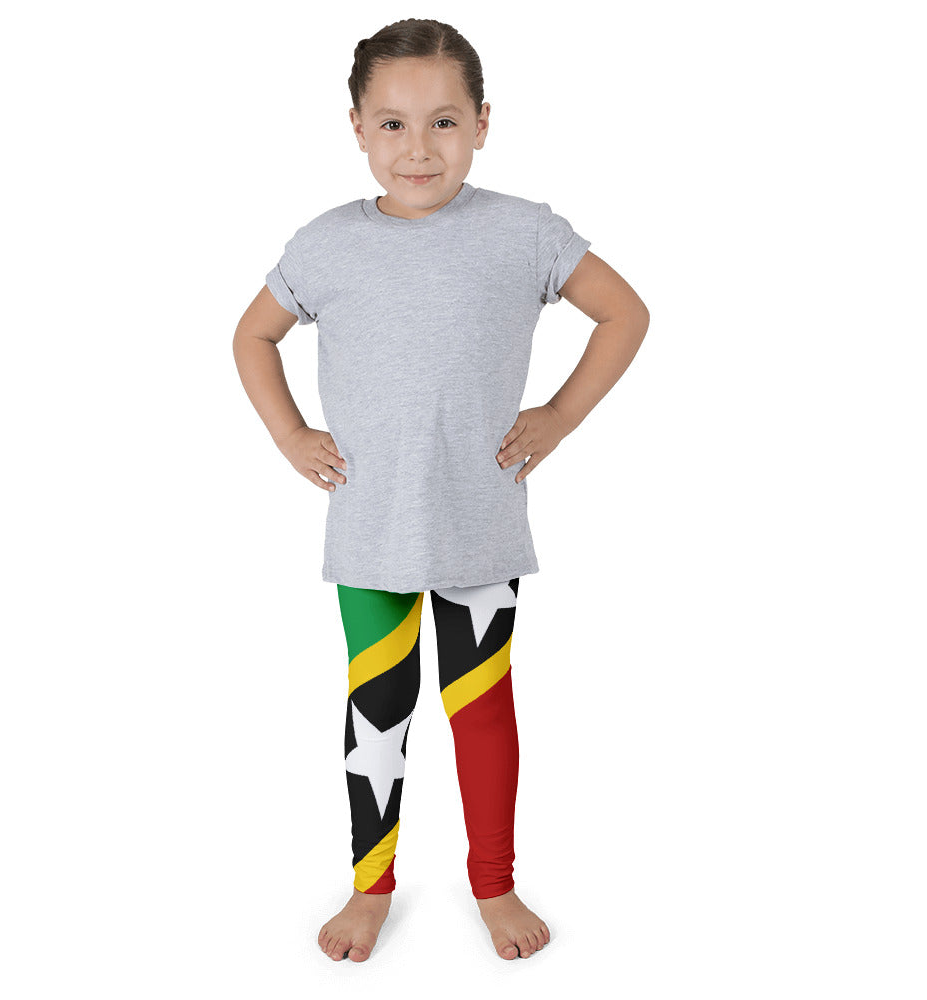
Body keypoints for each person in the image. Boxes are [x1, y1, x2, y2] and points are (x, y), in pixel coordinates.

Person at [232, 18, 650, 964]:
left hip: (479, 527)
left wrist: (560, 416)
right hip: (371, 529)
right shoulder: (326, 244)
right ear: (356, 128)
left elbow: (625, 313)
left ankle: (494, 882)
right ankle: (369, 886)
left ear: (483, 123)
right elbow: (251, 336)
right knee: (378, 713)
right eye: (392, 123)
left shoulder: (523, 232)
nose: (417, 148)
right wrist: (290, 434)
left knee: (482, 711)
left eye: (444, 122)